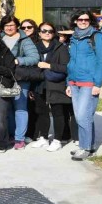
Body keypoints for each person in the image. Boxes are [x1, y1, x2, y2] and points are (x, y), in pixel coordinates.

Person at [67, 10, 102, 161]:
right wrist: (68, 82)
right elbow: (71, 61)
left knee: (82, 116)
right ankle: (89, 145)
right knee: (85, 116)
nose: (83, 22)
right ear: (75, 21)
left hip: (89, 82)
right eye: (80, 19)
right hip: (74, 82)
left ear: (90, 21)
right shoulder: (74, 38)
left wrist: (97, 84)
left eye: (86, 19)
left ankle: (84, 147)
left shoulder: (97, 37)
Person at [28, 23, 72, 152]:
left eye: (50, 31)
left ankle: (57, 140)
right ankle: (43, 137)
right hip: (39, 84)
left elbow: (67, 67)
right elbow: (30, 67)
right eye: (44, 31)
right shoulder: (35, 48)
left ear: (54, 33)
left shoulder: (60, 47)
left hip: (56, 84)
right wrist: (31, 87)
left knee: (58, 112)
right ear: (39, 33)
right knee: (42, 112)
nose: (47, 33)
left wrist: (49, 66)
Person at [0, 15, 39, 150]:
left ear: (17, 26)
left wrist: (18, 60)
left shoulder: (24, 39)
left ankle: (19, 138)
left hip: (19, 78)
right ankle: (12, 134)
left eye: (12, 25)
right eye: (6, 25)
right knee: (7, 108)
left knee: (20, 107)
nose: (9, 28)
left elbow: (34, 57)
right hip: (4, 78)